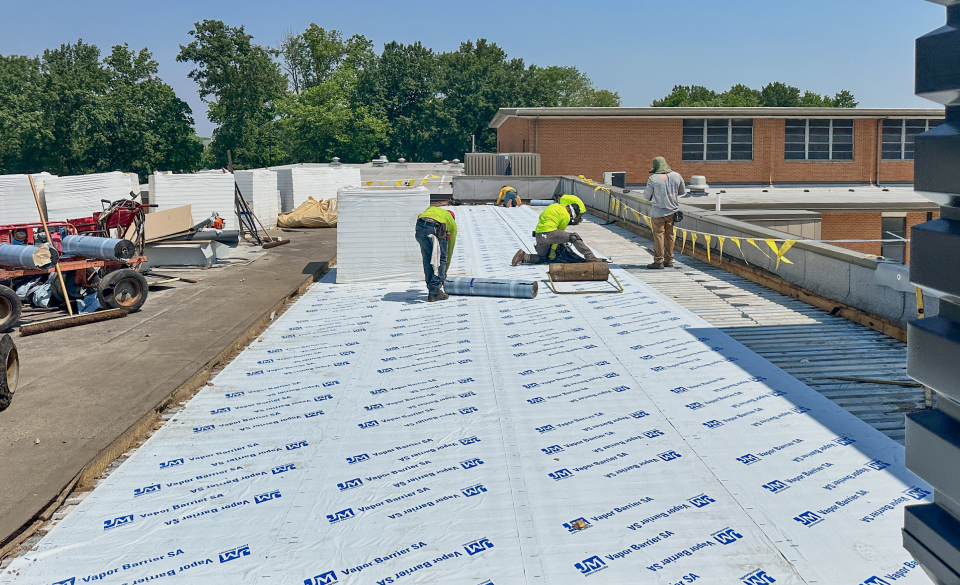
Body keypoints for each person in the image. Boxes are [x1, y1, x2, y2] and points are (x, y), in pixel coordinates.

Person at [511, 201, 601, 265]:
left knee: (543, 258)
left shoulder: (554, 206)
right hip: (549, 234)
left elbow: (541, 216)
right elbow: (558, 237)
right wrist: (553, 250)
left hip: (539, 235)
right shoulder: (566, 216)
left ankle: (524, 256)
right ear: (570, 211)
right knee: (574, 237)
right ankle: (591, 257)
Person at [641, 156, 685, 269]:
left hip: (658, 212)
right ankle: (669, 259)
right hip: (673, 211)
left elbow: (646, 196)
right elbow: (682, 192)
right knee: (670, 235)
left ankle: (658, 261)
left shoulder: (653, 178)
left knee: (658, 236)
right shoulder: (677, 175)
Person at [415, 207, 457, 302]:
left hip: (420, 226)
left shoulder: (434, 209)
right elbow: (449, 249)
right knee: (440, 259)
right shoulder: (452, 224)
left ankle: (431, 287)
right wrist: (445, 269)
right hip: (435, 226)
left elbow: (420, 216)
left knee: (427, 258)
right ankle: (434, 292)